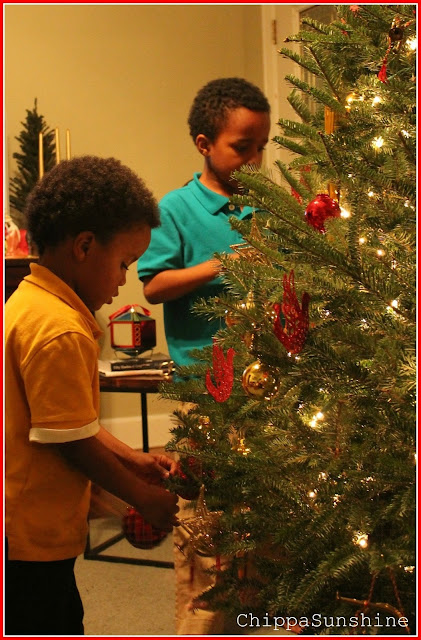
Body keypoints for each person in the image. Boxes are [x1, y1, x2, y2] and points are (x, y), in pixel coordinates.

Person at [4, 156, 180, 636]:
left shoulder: (29, 302)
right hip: (29, 535)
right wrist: (142, 497)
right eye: (123, 263)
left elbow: (69, 421)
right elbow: (72, 443)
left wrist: (130, 457)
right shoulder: (60, 330)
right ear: (84, 246)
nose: (124, 279)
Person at [137, 77, 271, 634]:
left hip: (267, 382)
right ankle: (202, 624)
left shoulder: (265, 206)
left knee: (264, 515)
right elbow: (153, 285)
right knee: (207, 517)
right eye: (242, 147)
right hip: (205, 389)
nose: (254, 159)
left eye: (261, 146)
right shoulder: (175, 208)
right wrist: (223, 265)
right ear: (204, 143)